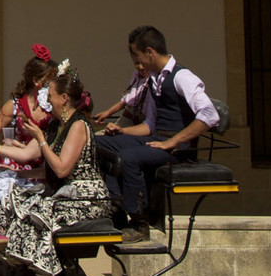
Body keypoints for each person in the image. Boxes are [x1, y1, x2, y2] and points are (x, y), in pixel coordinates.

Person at [0, 58, 109, 276]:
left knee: (35, 211)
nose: (47, 98)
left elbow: (61, 170)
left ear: (64, 98)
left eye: (50, 94)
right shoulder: (56, 124)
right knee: (15, 199)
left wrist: (40, 138)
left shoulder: (78, 125)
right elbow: (30, 155)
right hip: (63, 192)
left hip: (84, 197)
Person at [94, 25, 221, 231]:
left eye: (137, 55)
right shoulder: (154, 79)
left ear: (150, 52)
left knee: (129, 158)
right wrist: (122, 131)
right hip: (157, 139)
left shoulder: (182, 77)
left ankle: (139, 222)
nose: (137, 62)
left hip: (178, 148)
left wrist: (173, 141)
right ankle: (115, 207)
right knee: (100, 144)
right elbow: (149, 125)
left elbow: (209, 115)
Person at [0, 44, 55, 217]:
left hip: (43, 164)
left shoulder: (53, 108)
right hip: (17, 158)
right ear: (36, 81)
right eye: (50, 80)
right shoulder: (14, 106)